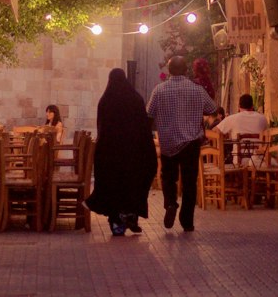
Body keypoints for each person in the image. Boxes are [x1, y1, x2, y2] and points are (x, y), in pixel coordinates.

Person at [146, 54, 217, 232]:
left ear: (168, 71)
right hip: (191, 142)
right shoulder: (197, 89)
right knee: (189, 181)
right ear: (186, 70)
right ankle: (187, 221)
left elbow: (148, 115)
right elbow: (212, 109)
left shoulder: (159, 90)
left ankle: (170, 203)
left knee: (168, 177)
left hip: (169, 142)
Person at [86, 68, 157, 237]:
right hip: (133, 154)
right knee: (132, 184)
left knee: (113, 186)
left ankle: (116, 222)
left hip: (111, 155)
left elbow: (102, 128)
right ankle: (131, 214)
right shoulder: (136, 99)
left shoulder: (105, 101)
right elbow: (143, 127)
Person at [215, 93, 268, 163]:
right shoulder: (263, 119)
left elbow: (215, 131)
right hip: (258, 161)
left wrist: (225, 135)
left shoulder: (233, 118)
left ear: (239, 106)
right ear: (252, 106)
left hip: (239, 161)